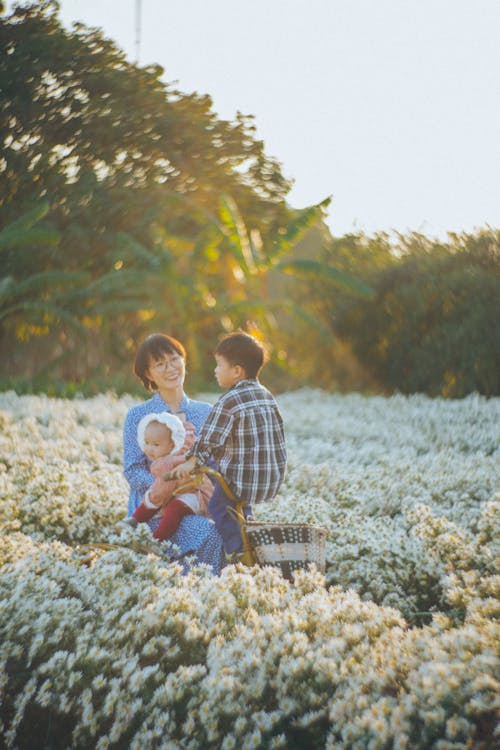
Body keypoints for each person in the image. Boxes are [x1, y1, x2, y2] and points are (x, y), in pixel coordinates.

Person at [172, 331, 287, 561]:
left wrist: (190, 464)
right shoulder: (266, 395)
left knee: (218, 505)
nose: (215, 370)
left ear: (236, 371)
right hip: (269, 478)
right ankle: (248, 527)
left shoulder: (229, 400)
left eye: (218, 365)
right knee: (232, 495)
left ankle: (237, 551)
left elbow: (207, 443)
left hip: (242, 480)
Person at [122, 333, 224, 572]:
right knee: (208, 533)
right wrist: (167, 487)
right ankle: (185, 592)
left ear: (183, 360)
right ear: (148, 374)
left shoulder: (206, 412)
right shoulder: (137, 415)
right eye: (160, 364)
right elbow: (133, 470)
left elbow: (216, 465)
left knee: (221, 532)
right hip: (152, 514)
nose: (170, 368)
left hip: (195, 503)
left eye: (174, 359)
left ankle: (203, 596)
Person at [121, 412, 211, 540]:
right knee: (156, 497)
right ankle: (135, 520)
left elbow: (163, 491)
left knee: (173, 507)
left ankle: (157, 540)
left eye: (156, 445)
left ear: (172, 445)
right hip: (184, 491)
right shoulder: (171, 457)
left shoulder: (166, 463)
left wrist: (151, 500)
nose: (149, 449)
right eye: (147, 442)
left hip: (197, 494)